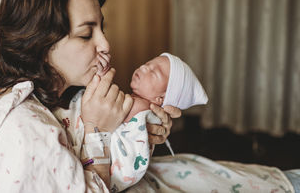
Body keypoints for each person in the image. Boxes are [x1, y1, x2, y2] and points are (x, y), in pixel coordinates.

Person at [0, 0, 180, 192]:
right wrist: (97, 131)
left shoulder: (13, 84)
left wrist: (139, 125)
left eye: (101, 28)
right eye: (86, 34)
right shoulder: (25, 133)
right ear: (40, 45)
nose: (105, 44)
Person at [54, 52, 209, 192]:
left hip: (111, 170)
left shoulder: (142, 106)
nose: (144, 67)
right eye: (148, 64)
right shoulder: (139, 103)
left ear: (160, 99)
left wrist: (101, 76)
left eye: (154, 72)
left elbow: (107, 107)